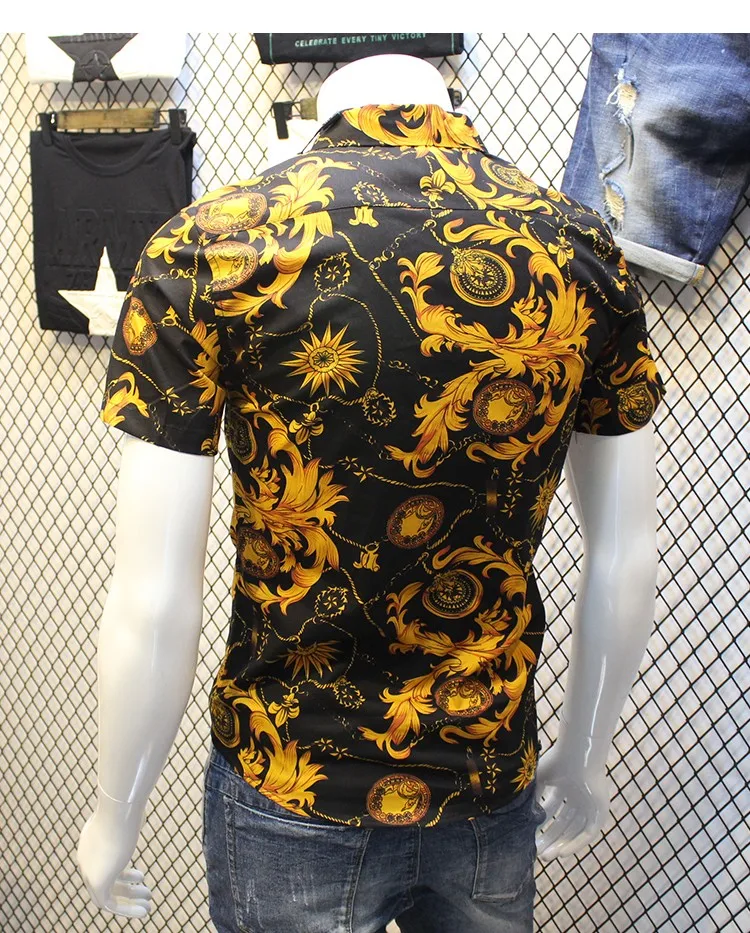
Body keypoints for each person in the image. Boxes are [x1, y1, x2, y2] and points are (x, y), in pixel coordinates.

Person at [77, 53, 666, 933]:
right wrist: (585, 755)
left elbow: (152, 596)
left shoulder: (213, 251)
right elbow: (625, 553)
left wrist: (114, 807)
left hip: (290, 777)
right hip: (485, 771)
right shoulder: (577, 251)